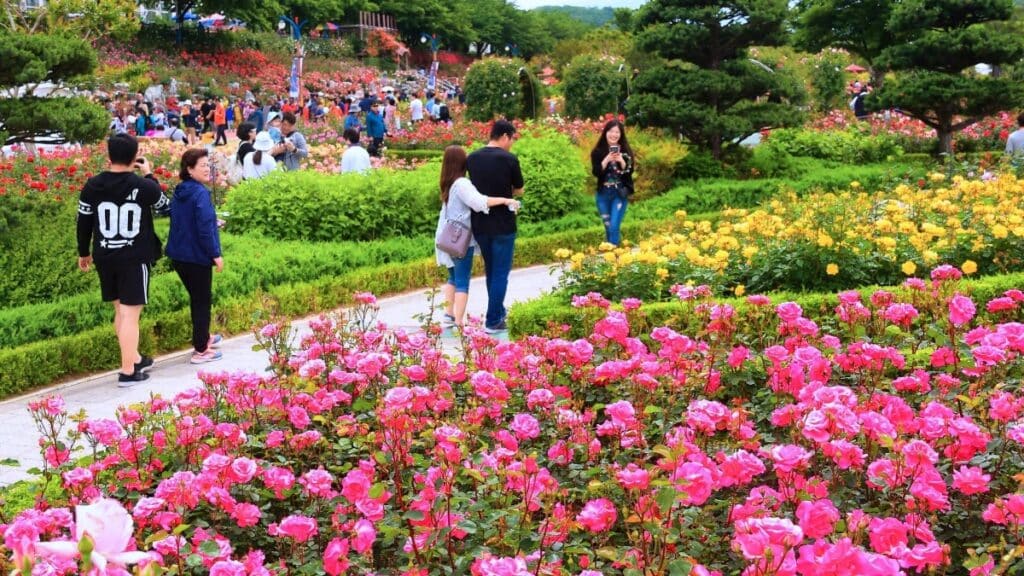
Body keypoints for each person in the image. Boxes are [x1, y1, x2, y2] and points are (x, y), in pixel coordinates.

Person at [76, 134, 170, 386]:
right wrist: (149, 175)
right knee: (130, 314)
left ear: (109, 156)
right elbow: (165, 207)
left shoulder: (92, 185)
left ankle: (134, 358)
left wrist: (83, 252)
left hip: (105, 255)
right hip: (134, 257)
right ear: (135, 156)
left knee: (120, 309)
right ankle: (128, 371)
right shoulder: (144, 186)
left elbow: (83, 221)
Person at [435, 145, 520, 329]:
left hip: (447, 236)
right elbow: (479, 202)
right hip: (460, 240)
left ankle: (449, 315)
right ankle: (459, 322)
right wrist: (505, 200)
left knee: (453, 277)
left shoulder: (448, 183)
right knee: (462, 281)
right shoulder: (462, 184)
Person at [165, 148, 225, 365]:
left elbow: (187, 218)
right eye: (202, 166)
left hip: (179, 255)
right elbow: (204, 228)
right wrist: (215, 254)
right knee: (201, 302)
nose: (207, 169)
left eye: (208, 165)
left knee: (197, 298)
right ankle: (201, 349)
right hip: (196, 257)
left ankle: (204, 336)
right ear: (189, 169)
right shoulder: (200, 193)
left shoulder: (181, 190)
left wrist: (212, 221)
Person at [467, 120, 524, 333]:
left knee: (491, 270)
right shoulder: (509, 159)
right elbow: (519, 189)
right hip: (503, 224)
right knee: (500, 272)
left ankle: (498, 311)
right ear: (505, 136)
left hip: (480, 223)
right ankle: (493, 321)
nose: (512, 143)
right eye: (512, 139)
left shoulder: (472, 158)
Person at [590, 119, 635, 246]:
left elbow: (629, 172)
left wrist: (622, 161)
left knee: (614, 226)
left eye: (617, 132)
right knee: (608, 227)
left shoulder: (625, 151)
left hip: (619, 193)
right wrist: (606, 160)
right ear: (605, 132)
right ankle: (613, 253)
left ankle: (613, 253)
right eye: (611, 131)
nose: (614, 134)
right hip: (603, 195)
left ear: (621, 134)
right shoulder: (597, 152)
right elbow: (596, 172)